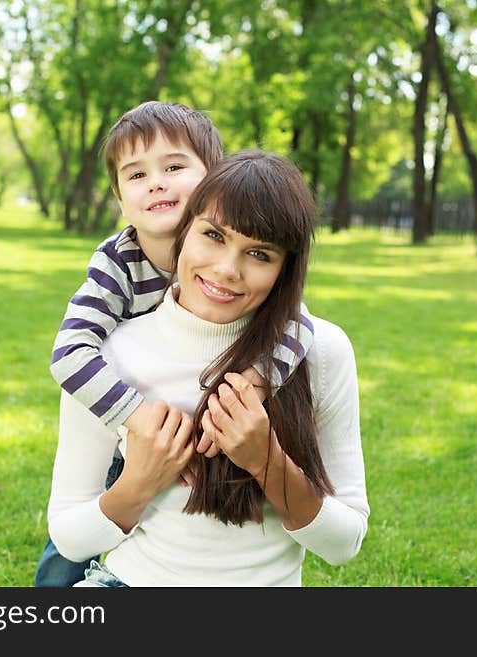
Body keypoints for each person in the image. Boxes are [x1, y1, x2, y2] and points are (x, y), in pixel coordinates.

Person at [46, 150, 369, 586]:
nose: (226, 269)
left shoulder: (319, 350)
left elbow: (343, 543)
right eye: (213, 235)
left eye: (259, 253)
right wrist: (139, 482)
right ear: (184, 231)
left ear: (284, 270)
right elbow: (69, 539)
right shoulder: (109, 359)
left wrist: (265, 460)